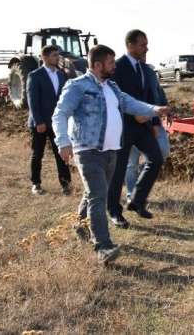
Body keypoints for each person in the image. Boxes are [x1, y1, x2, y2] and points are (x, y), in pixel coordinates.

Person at [52, 44, 168, 263]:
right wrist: (63, 141)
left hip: (111, 150)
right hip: (88, 151)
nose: (114, 66)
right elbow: (60, 114)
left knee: (93, 193)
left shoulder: (112, 87)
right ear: (97, 65)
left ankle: (80, 226)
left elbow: (129, 103)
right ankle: (103, 247)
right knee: (99, 196)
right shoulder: (77, 86)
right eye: (111, 62)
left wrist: (154, 110)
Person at [108, 29, 164, 228]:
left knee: (156, 158)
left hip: (143, 126)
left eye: (146, 44)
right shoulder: (117, 67)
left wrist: (155, 122)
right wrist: (134, 113)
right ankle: (114, 212)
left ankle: (137, 201)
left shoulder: (145, 68)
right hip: (123, 127)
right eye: (142, 44)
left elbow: (151, 96)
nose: (146, 48)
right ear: (130, 45)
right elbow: (115, 97)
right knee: (118, 170)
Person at [26, 44, 71, 195]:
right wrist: (39, 122)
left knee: (61, 152)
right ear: (44, 57)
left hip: (57, 123)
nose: (57, 58)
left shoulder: (61, 75)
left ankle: (65, 184)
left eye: (57, 55)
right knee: (37, 154)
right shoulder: (35, 75)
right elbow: (32, 101)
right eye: (54, 55)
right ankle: (36, 184)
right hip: (40, 123)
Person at [125, 54, 170, 204]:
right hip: (131, 124)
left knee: (162, 151)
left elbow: (158, 94)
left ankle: (143, 175)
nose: (143, 55)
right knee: (131, 163)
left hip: (151, 122)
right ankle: (133, 195)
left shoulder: (150, 73)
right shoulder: (121, 72)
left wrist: (160, 117)